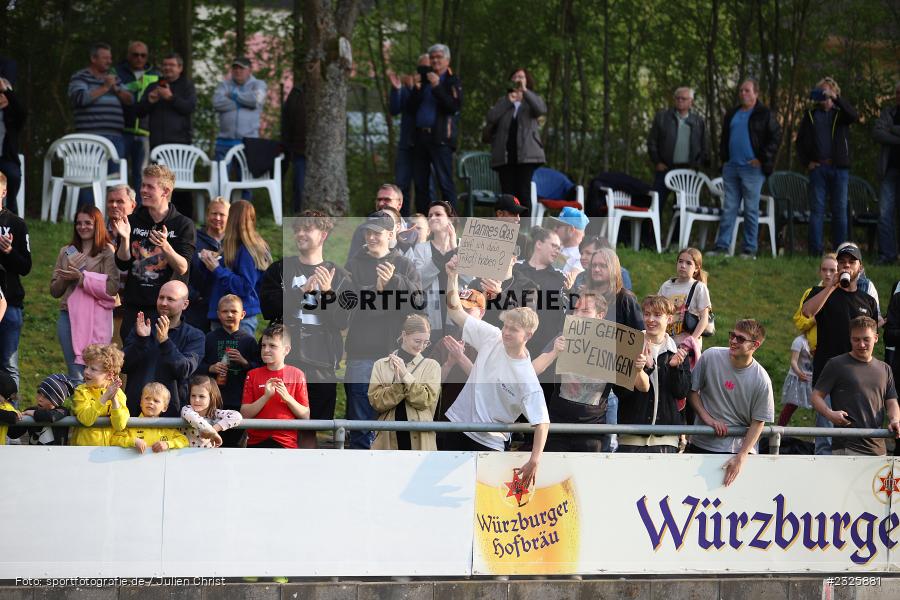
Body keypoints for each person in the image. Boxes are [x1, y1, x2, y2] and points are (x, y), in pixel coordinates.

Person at [441, 255, 549, 486]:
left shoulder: (526, 375)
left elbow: (542, 422)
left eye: (514, 330)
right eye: (506, 326)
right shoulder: (492, 336)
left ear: (528, 336)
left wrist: (535, 460)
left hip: (489, 442)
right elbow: (456, 312)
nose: (506, 332)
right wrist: (452, 276)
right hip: (456, 425)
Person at [259, 211, 352, 447]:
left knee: (314, 427)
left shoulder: (340, 276)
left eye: (307, 229)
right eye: (297, 229)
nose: (300, 233)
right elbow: (268, 308)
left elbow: (343, 321)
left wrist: (329, 292)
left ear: (323, 234)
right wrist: (301, 293)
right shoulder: (280, 269)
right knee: (279, 427)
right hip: (285, 361)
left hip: (321, 364)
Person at [344, 211, 422, 449]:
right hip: (360, 356)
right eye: (367, 231)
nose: (371, 237)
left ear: (391, 234)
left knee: (392, 429)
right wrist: (376, 293)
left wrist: (393, 284)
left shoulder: (405, 265)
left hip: (395, 357)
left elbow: (418, 307)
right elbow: (348, 308)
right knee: (359, 428)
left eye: (377, 232)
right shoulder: (353, 265)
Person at [112, 164, 195, 341]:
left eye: (150, 186)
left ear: (165, 191)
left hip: (166, 310)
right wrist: (125, 239)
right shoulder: (132, 220)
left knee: (161, 363)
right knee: (132, 364)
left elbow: (183, 268)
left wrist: (165, 246)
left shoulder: (183, 224)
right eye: (143, 185)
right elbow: (122, 264)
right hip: (135, 306)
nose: (143, 190)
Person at [687, 319, 774, 486]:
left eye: (740, 339)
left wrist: (741, 456)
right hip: (702, 443)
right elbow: (691, 392)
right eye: (732, 335)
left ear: (755, 345)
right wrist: (708, 419)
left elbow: (758, 422)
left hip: (737, 452)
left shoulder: (762, 380)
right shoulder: (711, 356)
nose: (733, 341)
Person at [709, 79, 781, 259]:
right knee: (729, 207)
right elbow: (724, 139)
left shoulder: (764, 113)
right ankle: (722, 247)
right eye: (741, 91)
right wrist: (724, 159)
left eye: (747, 91)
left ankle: (749, 249)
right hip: (731, 167)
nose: (743, 94)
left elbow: (775, 137)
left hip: (752, 169)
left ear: (756, 93)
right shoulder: (732, 113)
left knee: (750, 209)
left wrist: (762, 158)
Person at [531, 292, 611, 452]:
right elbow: (532, 370)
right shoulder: (563, 337)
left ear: (600, 316)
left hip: (592, 429)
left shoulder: (613, 344)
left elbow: (640, 385)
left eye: (585, 311)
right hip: (558, 425)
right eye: (575, 310)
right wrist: (554, 352)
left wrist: (639, 365)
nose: (578, 315)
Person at [812, 316, 900, 455]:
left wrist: (895, 420)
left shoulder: (885, 369)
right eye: (856, 339)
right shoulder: (836, 364)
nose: (861, 344)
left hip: (878, 448)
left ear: (876, 338)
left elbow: (891, 401)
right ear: (850, 338)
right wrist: (830, 414)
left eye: (866, 339)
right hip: (846, 448)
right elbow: (816, 396)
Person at [50, 206, 119, 383]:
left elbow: (112, 287)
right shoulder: (67, 251)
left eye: (88, 222)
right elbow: (55, 291)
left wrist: (82, 278)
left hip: (97, 320)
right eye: (79, 223)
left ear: (98, 225)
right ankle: (80, 409)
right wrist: (68, 273)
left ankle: (98, 409)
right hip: (69, 317)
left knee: (97, 374)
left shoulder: (106, 251)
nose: (83, 227)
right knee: (76, 374)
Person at [615, 296, 691, 453]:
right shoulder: (628, 347)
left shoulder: (677, 352)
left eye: (657, 315)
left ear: (669, 319)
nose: (650, 319)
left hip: (667, 440)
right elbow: (620, 392)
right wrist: (642, 369)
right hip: (631, 437)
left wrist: (674, 368)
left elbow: (681, 393)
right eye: (647, 314)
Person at [122, 280, 205, 417]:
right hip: (134, 414)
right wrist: (141, 341)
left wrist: (165, 342)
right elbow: (123, 366)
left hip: (171, 417)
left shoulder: (195, 336)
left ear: (185, 304)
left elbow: (185, 370)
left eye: (170, 299)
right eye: (161, 297)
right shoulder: (143, 328)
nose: (163, 302)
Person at [796, 77, 858, 255]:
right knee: (817, 211)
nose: (824, 95)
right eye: (821, 92)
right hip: (818, 169)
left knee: (840, 210)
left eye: (827, 92)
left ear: (834, 93)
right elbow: (800, 142)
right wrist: (807, 162)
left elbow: (854, 115)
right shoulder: (811, 115)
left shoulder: (841, 114)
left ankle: (842, 253)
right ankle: (815, 251)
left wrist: (836, 98)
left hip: (839, 169)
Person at [68, 42, 132, 208]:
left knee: (115, 178)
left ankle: (114, 216)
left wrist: (116, 88)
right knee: (88, 178)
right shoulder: (80, 77)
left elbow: (129, 100)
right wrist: (105, 87)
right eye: (105, 58)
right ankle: (89, 214)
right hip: (89, 137)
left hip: (115, 137)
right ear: (93, 58)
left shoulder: (114, 78)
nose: (109, 61)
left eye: (110, 58)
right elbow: (80, 99)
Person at [369, 314, 441, 450]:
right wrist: (398, 385)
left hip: (421, 438)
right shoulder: (381, 365)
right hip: (387, 438)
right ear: (404, 335)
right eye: (417, 341)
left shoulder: (432, 366)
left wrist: (405, 375)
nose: (421, 346)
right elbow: (376, 403)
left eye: (426, 342)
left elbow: (425, 401)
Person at [200, 199, 270, 335]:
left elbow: (245, 286)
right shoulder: (230, 246)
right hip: (220, 315)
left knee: (237, 356)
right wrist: (208, 262)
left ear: (231, 218)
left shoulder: (248, 249)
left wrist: (218, 269)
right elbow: (215, 281)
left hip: (240, 318)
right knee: (220, 357)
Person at [407, 44, 462, 213]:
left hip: (441, 139)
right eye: (432, 58)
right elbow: (410, 109)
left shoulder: (453, 81)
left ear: (447, 60)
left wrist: (437, 86)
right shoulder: (423, 80)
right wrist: (415, 90)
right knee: (421, 184)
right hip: (420, 138)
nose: (435, 60)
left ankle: (451, 223)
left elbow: (453, 107)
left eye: (439, 57)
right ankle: (423, 224)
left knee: (445, 183)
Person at [198, 294, 258, 447]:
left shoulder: (249, 340)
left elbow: (258, 368)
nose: (229, 315)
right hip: (213, 401)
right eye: (225, 311)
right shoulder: (209, 338)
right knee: (211, 441)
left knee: (235, 443)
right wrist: (211, 368)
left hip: (239, 400)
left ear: (243, 314)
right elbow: (197, 366)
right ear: (218, 314)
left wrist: (244, 362)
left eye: (234, 311)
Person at [241, 323, 310, 449]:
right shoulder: (253, 374)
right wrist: (266, 397)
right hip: (256, 441)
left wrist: (287, 398)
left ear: (286, 350)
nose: (266, 349)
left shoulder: (297, 374)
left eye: (272, 346)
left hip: (286, 442)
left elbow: (305, 415)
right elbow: (244, 413)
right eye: (263, 345)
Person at [485, 68, 547, 208]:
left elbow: (541, 110)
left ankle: (525, 230)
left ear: (527, 81)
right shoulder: (504, 100)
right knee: (508, 196)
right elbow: (491, 117)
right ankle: (509, 230)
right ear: (510, 81)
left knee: (523, 193)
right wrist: (508, 101)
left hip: (526, 156)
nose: (518, 79)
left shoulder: (531, 100)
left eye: (521, 77)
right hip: (505, 156)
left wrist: (525, 91)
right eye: (515, 77)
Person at [212, 56, 267, 197]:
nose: (237, 71)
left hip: (248, 142)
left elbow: (256, 100)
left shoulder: (258, 84)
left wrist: (233, 95)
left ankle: (246, 215)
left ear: (249, 70)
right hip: (224, 142)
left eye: (241, 68)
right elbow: (216, 103)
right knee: (219, 180)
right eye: (235, 68)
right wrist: (243, 101)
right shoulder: (224, 85)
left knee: (246, 182)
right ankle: (220, 213)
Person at [404, 201, 458, 344]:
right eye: (430, 215)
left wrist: (454, 249)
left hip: (458, 313)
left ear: (450, 219)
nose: (433, 217)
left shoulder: (462, 245)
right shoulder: (421, 249)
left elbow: (469, 279)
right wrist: (439, 256)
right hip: (430, 315)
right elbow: (419, 281)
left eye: (438, 214)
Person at [647, 87, 709, 208]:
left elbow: (704, 147)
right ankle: (652, 228)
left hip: (687, 171)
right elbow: (652, 142)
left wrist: (697, 165)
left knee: (683, 209)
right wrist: (657, 162)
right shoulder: (662, 117)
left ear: (691, 101)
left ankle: (678, 228)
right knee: (655, 205)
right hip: (664, 168)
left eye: (683, 98)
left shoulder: (698, 122)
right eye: (677, 98)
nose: (680, 100)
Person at [112, 40, 159, 192]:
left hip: (146, 131)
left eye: (143, 55)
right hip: (121, 129)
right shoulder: (117, 71)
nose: (139, 58)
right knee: (118, 173)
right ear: (128, 55)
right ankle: (117, 209)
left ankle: (140, 212)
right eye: (135, 55)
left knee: (142, 175)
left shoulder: (156, 74)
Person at [432, 288, 484, 421]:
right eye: (458, 309)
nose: (461, 314)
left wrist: (460, 358)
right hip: (447, 417)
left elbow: (489, 385)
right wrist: (449, 364)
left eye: (467, 309)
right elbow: (430, 385)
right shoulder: (444, 343)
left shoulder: (492, 342)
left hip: (480, 420)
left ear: (481, 312)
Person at [0, 171, 31, 387]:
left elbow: (25, 267)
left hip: (10, 302)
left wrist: (9, 251)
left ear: (3, 192)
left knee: (8, 363)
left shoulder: (16, 224)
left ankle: (11, 415)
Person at [389, 55, 431, 215]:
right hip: (406, 144)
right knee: (401, 185)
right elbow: (394, 109)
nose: (424, 71)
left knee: (425, 187)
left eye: (428, 68)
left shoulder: (433, 87)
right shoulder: (406, 85)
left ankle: (427, 223)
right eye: (422, 67)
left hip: (426, 145)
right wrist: (397, 89)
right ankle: (403, 222)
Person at [70, 343, 128, 446]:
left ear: (109, 375)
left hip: (109, 453)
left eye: (93, 369)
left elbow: (120, 425)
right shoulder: (80, 391)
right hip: (82, 451)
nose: (86, 372)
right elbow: (86, 420)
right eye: (86, 367)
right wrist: (105, 397)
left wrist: (114, 400)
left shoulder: (119, 394)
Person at [136, 52, 196, 151]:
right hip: (156, 144)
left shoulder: (187, 86)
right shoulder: (153, 86)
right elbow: (139, 113)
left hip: (181, 144)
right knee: (157, 167)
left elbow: (190, 107)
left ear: (180, 68)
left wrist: (171, 98)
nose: (167, 67)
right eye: (165, 65)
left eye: (171, 65)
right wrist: (149, 101)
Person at [185, 197, 229, 332]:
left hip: (225, 309)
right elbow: (182, 270)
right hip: (196, 309)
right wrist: (194, 296)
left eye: (222, 214)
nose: (217, 218)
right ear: (207, 215)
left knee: (223, 352)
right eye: (214, 213)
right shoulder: (194, 239)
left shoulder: (234, 243)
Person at [657, 247, 712, 351]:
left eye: (688, 263)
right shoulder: (667, 285)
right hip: (665, 344)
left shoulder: (699, 287)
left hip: (686, 348)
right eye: (680, 261)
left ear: (696, 268)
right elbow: (657, 310)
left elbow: (704, 319)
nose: (683, 265)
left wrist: (691, 341)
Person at [112, 382, 189, 453]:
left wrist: (167, 444)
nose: (151, 402)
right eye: (147, 398)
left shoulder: (167, 428)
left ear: (164, 408)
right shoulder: (130, 424)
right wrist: (133, 441)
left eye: (156, 401)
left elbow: (184, 440)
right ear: (141, 403)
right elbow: (114, 439)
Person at [345, 184, 409, 264]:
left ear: (399, 204)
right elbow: (352, 264)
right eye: (379, 200)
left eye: (387, 199)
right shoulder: (362, 230)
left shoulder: (413, 232)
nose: (381, 203)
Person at [7, 374, 75, 446]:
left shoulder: (62, 411)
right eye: (39, 393)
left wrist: (33, 413)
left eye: (46, 397)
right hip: (35, 455)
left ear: (56, 401)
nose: (40, 399)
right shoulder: (30, 410)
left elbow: (51, 417)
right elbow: (13, 434)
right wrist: (12, 416)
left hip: (55, 455)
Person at [875, 81, 900, 265]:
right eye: (898, 92)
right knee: (885, 214)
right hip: (889, 170)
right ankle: (887, 255)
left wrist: (893, 130)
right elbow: (877, 133)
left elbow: (886, 133)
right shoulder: (889, 113)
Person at [181, 375, 243, 448]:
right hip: (185, 455)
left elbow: (237, 416)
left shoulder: (214, 413)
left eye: (201, 396)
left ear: (211, 397)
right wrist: (213, 433)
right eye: (193, 395)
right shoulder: (187, 409)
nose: (196, 400)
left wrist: (214, 429)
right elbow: (194, 418)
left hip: (208, 456)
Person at [0, 75, 26, 214]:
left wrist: (6, 91)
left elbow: (22, 112)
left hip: (6, 159)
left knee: (13, 176)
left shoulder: (12, 116)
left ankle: (10, 213)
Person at [777, 332, 814, 427]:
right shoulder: (799, 341)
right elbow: (793, 361)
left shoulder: (819, 341)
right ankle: (779, 430)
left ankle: (820, 436)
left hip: (813, 379)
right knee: (791, 406)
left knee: (821, 409)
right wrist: (799, 373)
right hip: (798, 379)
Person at [281, 83, 307, 213]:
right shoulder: (297, 92)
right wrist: (288, 146)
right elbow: (286, 121)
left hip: (321, 155)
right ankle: (299, 217)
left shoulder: (327, 90)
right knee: (299, 188)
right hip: (299, 150)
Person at [547, 207, 588, 275]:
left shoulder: (582, 257)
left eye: (558, 226)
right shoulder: (555, 246)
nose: (554, 229)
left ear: (571, 230)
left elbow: (569, 283)